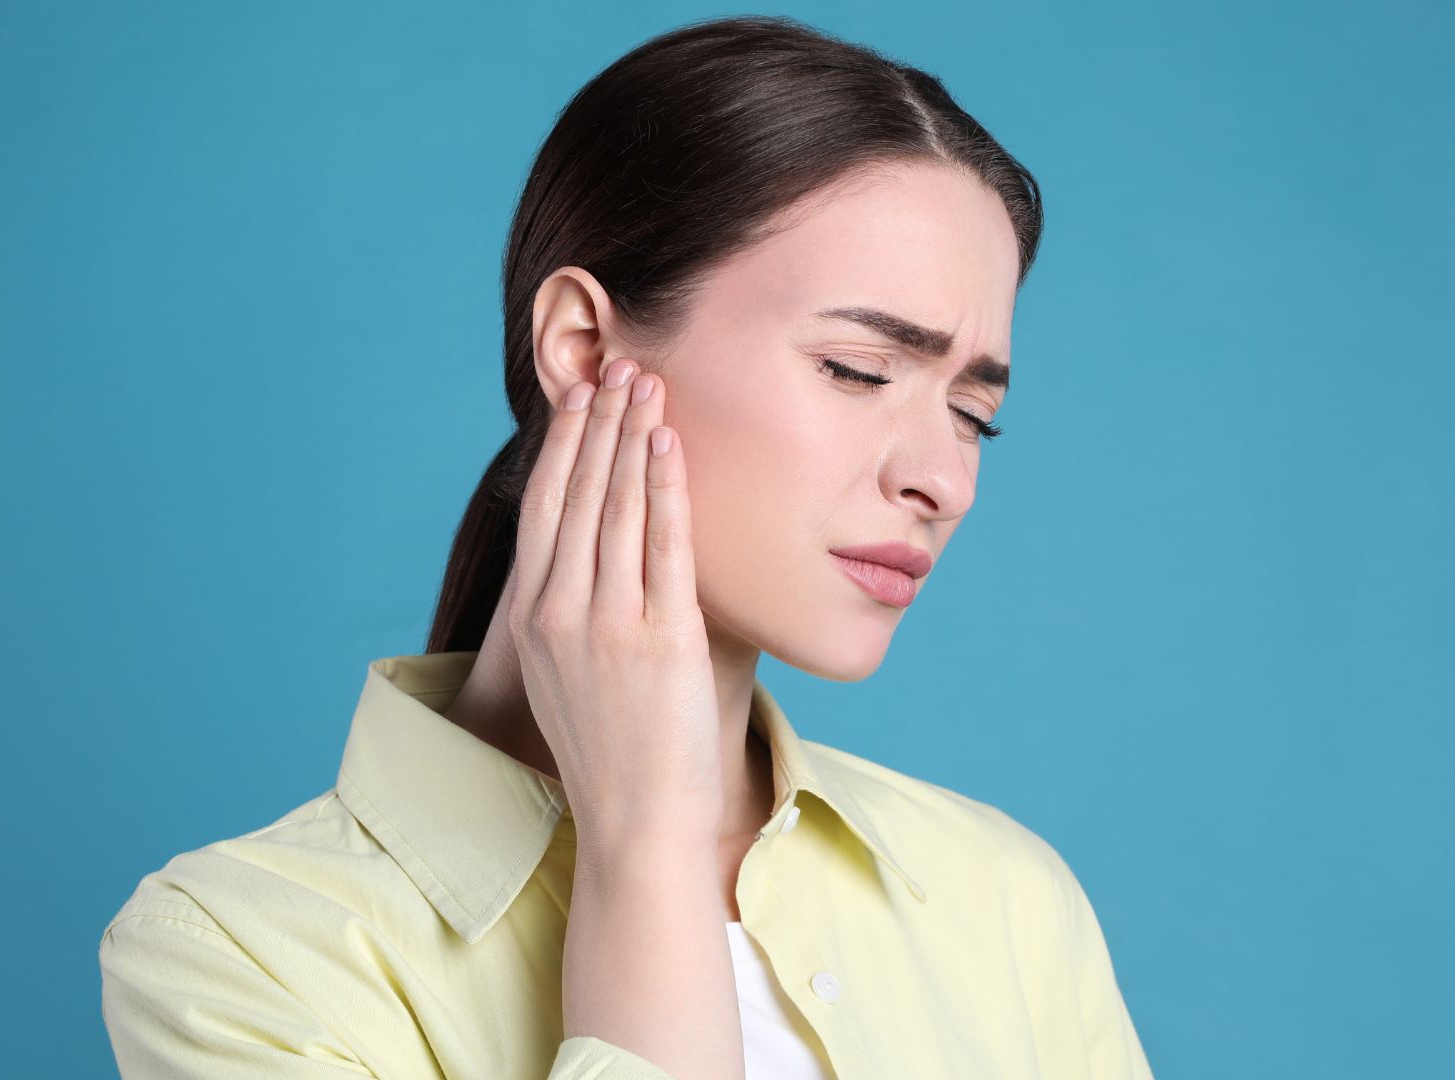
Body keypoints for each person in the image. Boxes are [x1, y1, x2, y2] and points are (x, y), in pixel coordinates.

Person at [100, 14, 1154, 1080]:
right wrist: (646, 841)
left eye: (975, 415)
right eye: (858, 369)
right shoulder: (243, 957)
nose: (946, 480)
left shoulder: (1006, 901)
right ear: (584, 348)